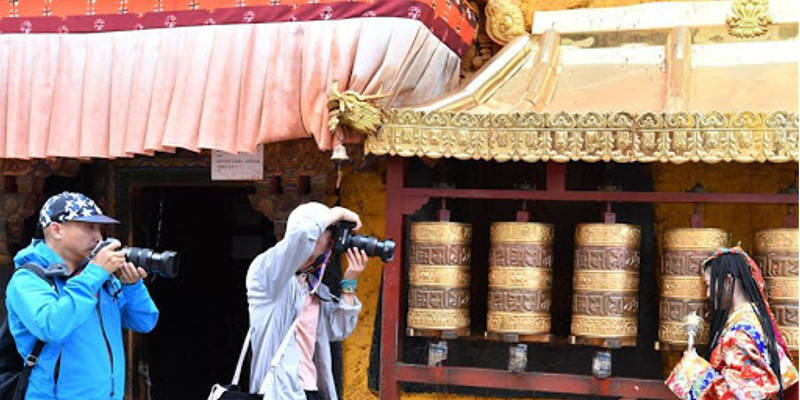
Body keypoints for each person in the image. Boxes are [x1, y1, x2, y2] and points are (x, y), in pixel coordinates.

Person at [5, 192, 159, 400]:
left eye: (99, 228)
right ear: (56, 229)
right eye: (89, 226)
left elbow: (145, 321)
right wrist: (94, 274)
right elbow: (53, 327)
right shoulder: (28, 279)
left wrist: (132, 286)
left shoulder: (99, 278)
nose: (99, 237)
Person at [246, 202, 368, 400]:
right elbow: (303, 234)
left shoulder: (314, 287)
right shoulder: (267, 274)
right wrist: (339, 212)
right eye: (329, 234)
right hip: (280, 392)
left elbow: (338, 329)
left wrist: (350, 280)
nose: (332, 243)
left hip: (310, 391)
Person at [666, 245, 798, 400]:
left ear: (728, 281)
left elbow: (739, 396)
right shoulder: (755, 320)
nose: (708, 294)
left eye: (709, 285)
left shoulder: (739, 333)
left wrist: (693, 370)